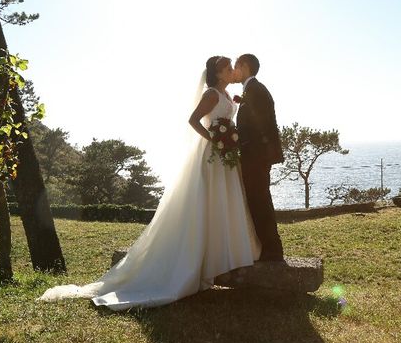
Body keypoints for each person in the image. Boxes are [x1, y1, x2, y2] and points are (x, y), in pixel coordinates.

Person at [37, 56, 261, 310]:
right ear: (219, 73)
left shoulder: (227, 95)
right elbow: (193, 120)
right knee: (207, 202)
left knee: (224, 202)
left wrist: (228, 137)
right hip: (212, 154)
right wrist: (213, 138)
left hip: (224, 156)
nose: (232, 70)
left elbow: (227, 121)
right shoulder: (211, 94)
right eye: (228, 67)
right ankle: (197, 262)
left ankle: (221, 255)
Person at [234, 54, 285, 261]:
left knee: (260, 201)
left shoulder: (256, 90)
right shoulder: (251, 90)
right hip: (255, 156)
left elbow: (262, 126)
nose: (234, 71)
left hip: (256, 157)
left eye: (235, 66)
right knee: (257, 201)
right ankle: (267, 248)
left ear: (244, 66)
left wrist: (239, 141)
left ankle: (272, 250)